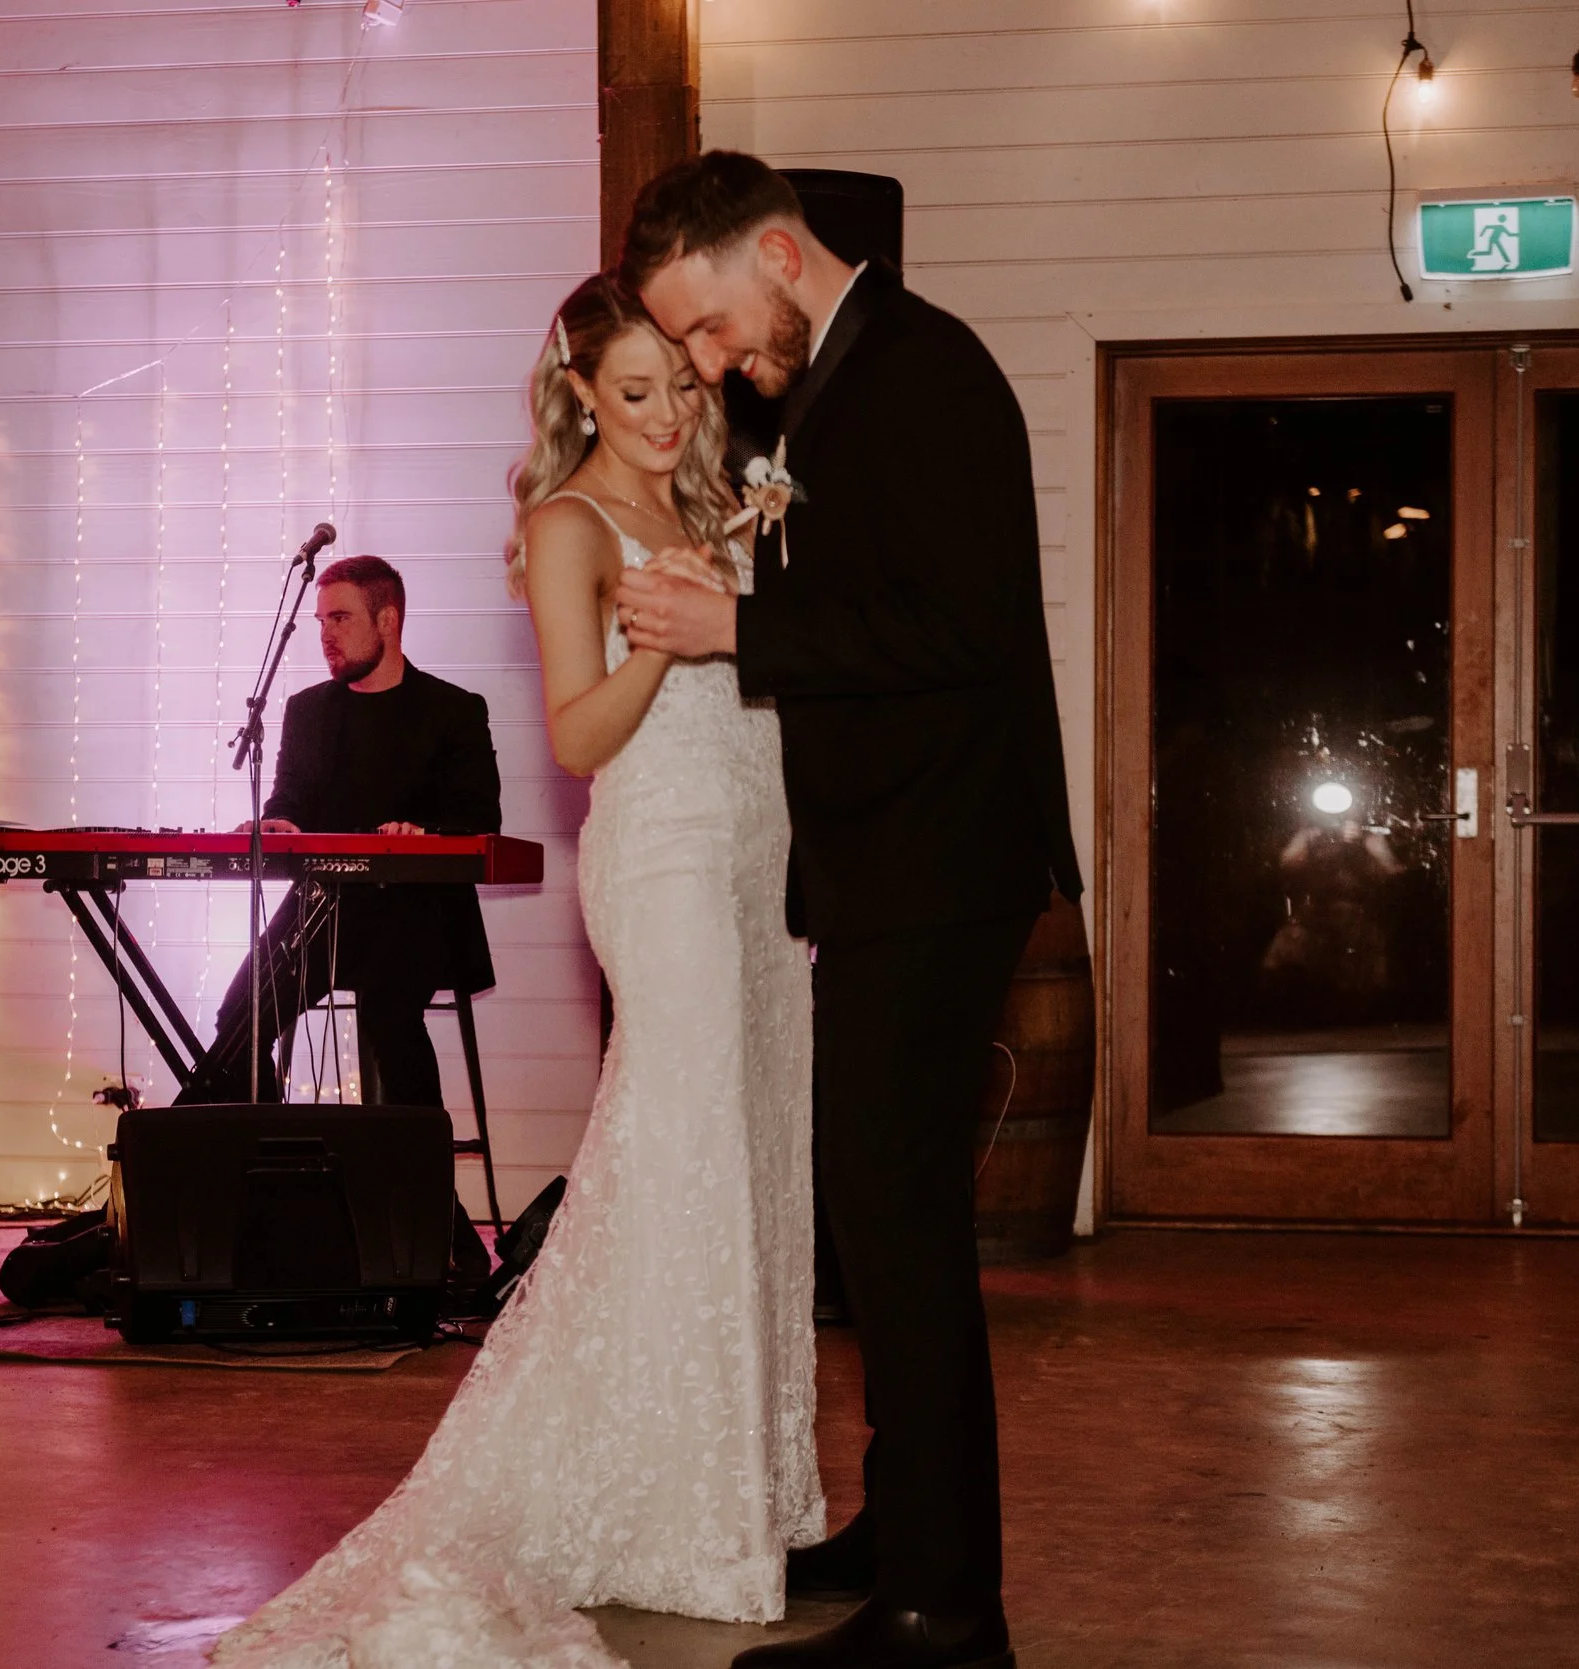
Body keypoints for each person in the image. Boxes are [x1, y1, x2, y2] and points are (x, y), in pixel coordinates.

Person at [212, 274, 820, 1666]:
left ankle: (739, 1488)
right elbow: (581, 735)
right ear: (578, 398)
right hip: (662, 861)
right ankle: (674, 1509)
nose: (667, 417)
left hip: (754, 860)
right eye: (633, 393)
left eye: (679, 386)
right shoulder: (567, 524)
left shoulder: (719, 507)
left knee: (758, 1161)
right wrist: (665, 645)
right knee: (685, 1160)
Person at [617, 153, 1083, 1669]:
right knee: (881, 1228)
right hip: (895, 864)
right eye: (684, 343)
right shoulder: (836, 385)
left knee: (902, 1230)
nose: (706, 362)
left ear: (775, 247)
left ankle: (946, 1613)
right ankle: (909, 1530)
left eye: (705, 326)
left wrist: (738, 625)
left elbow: (961, 627)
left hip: (945, 864)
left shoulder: (927, 373)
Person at [173, 554, 501, 1122]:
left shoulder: (453, 711)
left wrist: (421, 833)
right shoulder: (308, 711)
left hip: (416, 913)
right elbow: (288, 804)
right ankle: (278, 1165)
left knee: (389, 1017)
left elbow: (480, 818)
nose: (325, 635)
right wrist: (277, 824)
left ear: (388, 621)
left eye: (341, 619)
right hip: (324, 911)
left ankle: (419, 1196)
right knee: (240, 1018)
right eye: (321, 621)